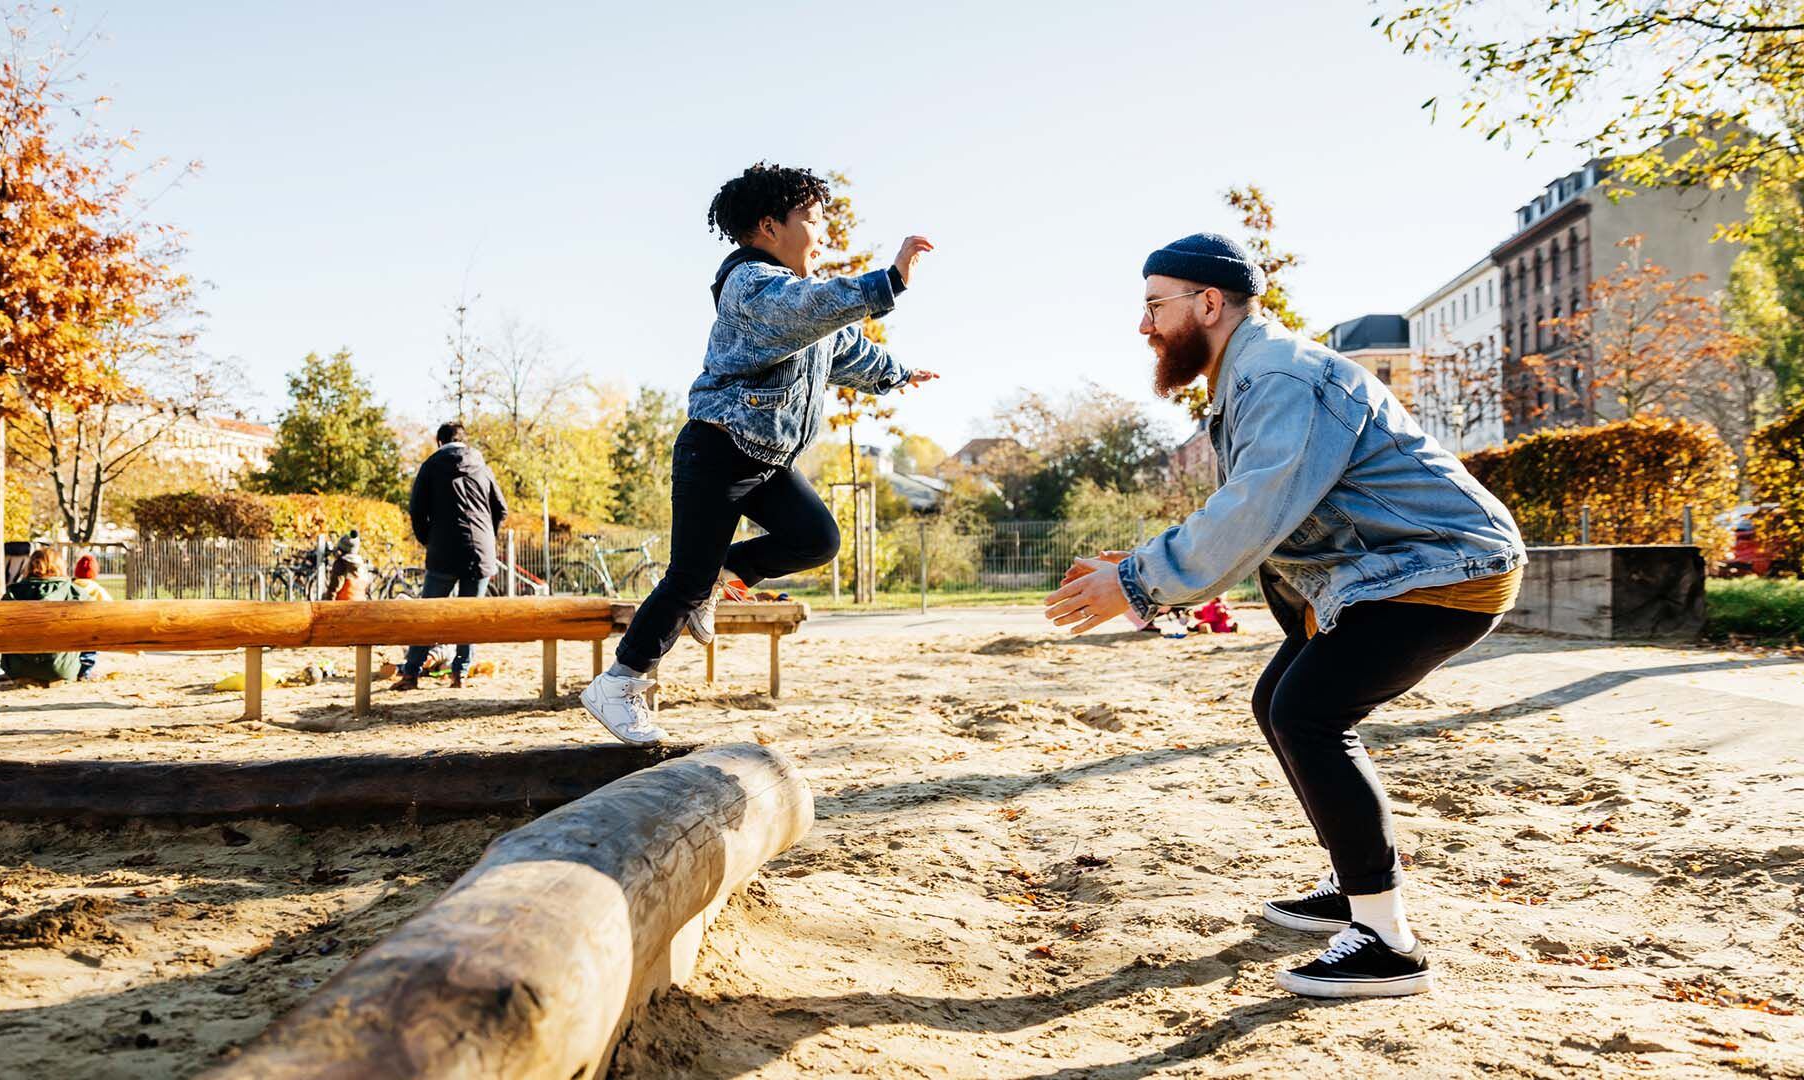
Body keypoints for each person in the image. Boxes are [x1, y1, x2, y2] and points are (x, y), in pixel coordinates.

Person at [1043, 232, 1526, 1000]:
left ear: (1208, 304)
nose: (1143, 328)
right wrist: (1136, 573)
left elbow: (1254, 508)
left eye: (1153, 307)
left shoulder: (1277, 375)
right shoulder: (1249, 377)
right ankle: (1353, 885)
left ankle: (1388, 944)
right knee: (1281, 701)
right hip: (1390, 572)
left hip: (1443, 568)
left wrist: (1135, 582)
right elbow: (1275, 523)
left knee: (1308, 713)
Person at [580, 162, 939, 745]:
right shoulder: (752, 287)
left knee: (817, 538)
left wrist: (897, 374)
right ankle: (620, 681)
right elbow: (815, 308)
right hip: (718, 451)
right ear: (770, 227)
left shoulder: (797, 304)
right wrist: (889, 279)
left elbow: (844, 348)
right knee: (686, 578)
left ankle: (729, 574)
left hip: (766, 460)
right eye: (813, 221)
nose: (822, 234)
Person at [395, 422, 508, 690]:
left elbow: (416, 510)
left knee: (428, 614)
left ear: (439, 442)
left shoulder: (431, 466)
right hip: (480, 552)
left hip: (443, 551)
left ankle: (411, 674)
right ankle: (460, 674)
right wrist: (486, 538)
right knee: (469, 616)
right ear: (464, 440)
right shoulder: (482, 466)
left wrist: (428, 540)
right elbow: (501, 509)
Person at [0, 548, 84, 684]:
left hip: (19, 669)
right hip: (63, 669)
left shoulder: (13, 592)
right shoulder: (74, 592)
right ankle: (84, 672)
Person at [69, 554, 113, 681]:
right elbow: (110, 606)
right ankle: (84, 672)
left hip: (71, 628)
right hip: (90, 630)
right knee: (89, 651)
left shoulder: (71, 586)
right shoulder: (97, 589)